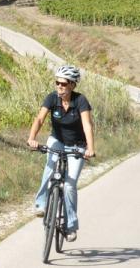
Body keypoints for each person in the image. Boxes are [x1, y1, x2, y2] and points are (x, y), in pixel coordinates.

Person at [27, 65, 95, 243]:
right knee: (49, 171)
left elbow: (87, 125)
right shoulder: (52, 98)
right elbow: (40, 118)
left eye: (63, 84)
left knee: (70, 185)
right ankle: (41, 205)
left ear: (72, 85)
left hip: (77, 146)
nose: (59, 86)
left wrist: (90, 148)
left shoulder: (80, 101)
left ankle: (71, 226)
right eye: (57, 83)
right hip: (57, 141)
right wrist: (32, 138)